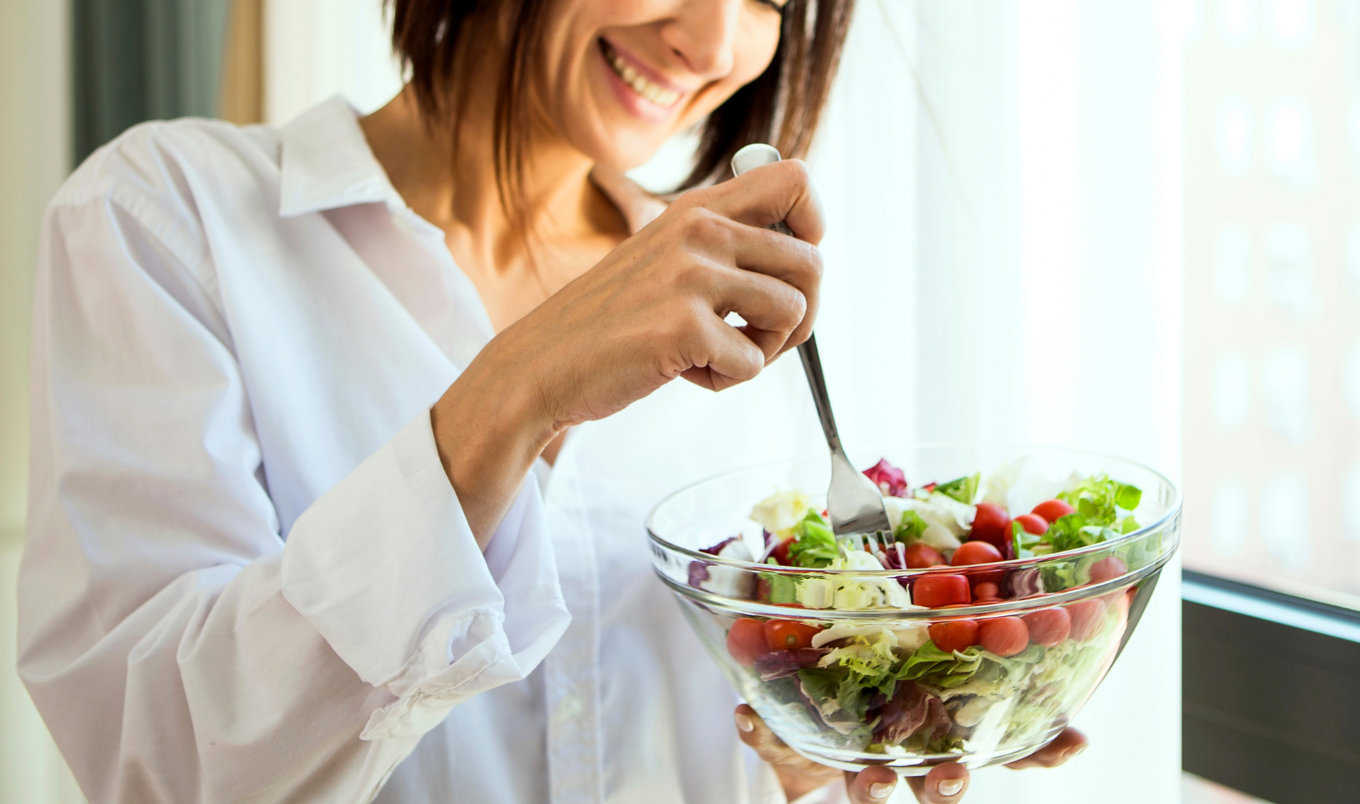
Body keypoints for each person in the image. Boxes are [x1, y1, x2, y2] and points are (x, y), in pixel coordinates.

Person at [18, 0, 1086, 801]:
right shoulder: (168, 219)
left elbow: (709, 740)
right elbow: (156, 762)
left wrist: (816, 742)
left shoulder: (734, 306)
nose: (713, 42)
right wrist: (517, 390)